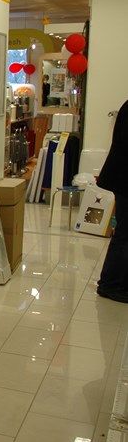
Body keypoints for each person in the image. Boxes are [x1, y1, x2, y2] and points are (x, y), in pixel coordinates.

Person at [96, 99, 128, 303]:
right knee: (125, 234)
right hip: (124, 179)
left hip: (122, 178)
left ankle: (117, 282)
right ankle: (111, 284)